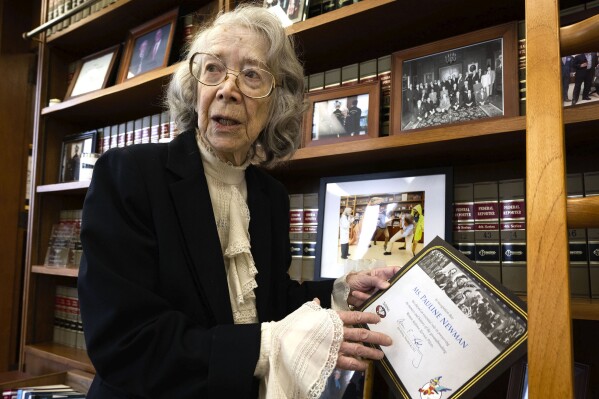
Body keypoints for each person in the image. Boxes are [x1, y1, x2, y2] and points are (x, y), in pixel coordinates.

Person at [78, 6, 397, 398]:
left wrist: (341, 293)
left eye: (251, 74)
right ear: (194, 87)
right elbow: (126, 342)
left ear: (276, 103)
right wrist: (268, 346)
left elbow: (269, 301)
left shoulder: (270, 198)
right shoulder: (128, 175)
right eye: (213, 69)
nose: (227, 89)